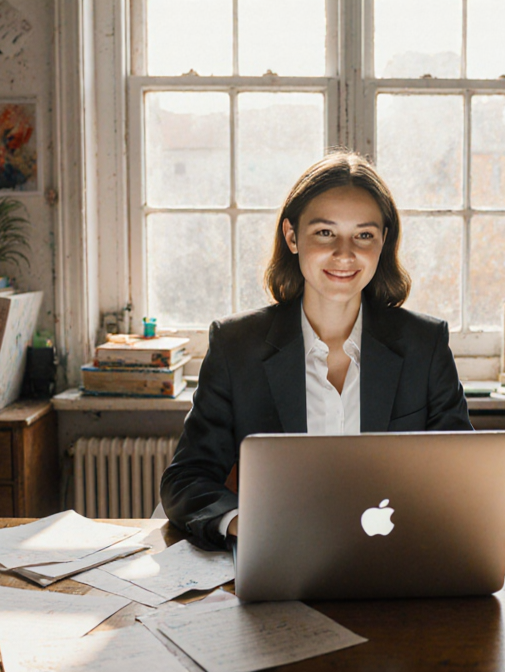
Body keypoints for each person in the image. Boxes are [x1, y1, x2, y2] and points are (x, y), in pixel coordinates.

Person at [160, 151, 472, 551]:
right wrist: (246, 524)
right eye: (325, 233)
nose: (345, 254)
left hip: (400, 561)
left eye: (363, 235)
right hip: (281, 558)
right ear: (292, 236)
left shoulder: (424, 345)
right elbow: (187, 478)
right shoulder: (236, 346)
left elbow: (463, 478)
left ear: (384, 241)